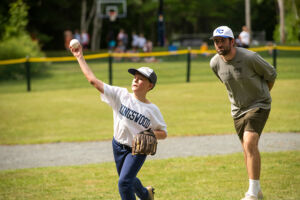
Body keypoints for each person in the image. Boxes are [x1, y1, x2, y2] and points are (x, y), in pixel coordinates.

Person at [69, 43, 167, 200]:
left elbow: (163, 133)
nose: (135, 80)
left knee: (124, 183)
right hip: (117, 145)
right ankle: (145, 194)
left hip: (137, 150)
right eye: (135, 77)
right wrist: (79, 56)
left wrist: (149, 134)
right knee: (128, 179)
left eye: (141, 79)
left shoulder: (152, 110)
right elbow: (93, 81)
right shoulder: (121, 95)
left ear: (150, 86)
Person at [209, 26, 277, 200]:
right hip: (237, 110)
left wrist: (261, 95)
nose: (219, 44)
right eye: (216, 41)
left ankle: (252, 193)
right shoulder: (214, 63)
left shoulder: (250, 57)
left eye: (222, 40)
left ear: (232, 41)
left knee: (249, 142)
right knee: (247, 149)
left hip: (259, 104)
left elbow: (271, 74)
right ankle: (258, 190)